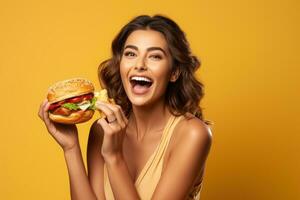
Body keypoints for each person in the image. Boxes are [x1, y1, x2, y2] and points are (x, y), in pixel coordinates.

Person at [38, 14, 213, 200]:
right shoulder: (102, 130)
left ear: (174, 72)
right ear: (120, 64)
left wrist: (114, 157)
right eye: (130, 54)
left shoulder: (193, 134)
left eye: (154, 56)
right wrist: (71, 148)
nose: (139, 65)